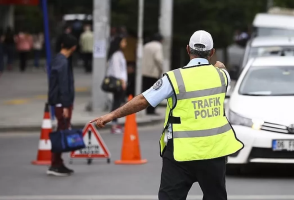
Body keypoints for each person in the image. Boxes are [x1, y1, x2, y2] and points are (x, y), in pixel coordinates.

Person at [90, 30, 244, 200]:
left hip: (180, 153)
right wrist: (218, 66)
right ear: (212, 52)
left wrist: (111, 115)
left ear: (187, 49)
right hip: (215, 152)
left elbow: (143, 100)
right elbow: (220, 68)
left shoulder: (174, 78)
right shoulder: (222, 76)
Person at [47, 34, 78, 176]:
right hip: (62, 103)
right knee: (61, 132)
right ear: (73, 47)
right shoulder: (63, 62)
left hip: (59, 102)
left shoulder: (57, 59)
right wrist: (66, 105)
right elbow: (63, 86)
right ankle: (55, 164)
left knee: (61, 131)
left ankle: (58, 163)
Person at [106, 35, 128, 134]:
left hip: (120, 81)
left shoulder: (119, 53)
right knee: (116, 103)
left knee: (117, 102)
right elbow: (117, 70)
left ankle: (115, 123)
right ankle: (114, 124)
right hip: (118, 82)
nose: (125, 44)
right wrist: (122, 82)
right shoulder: (116, 55)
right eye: (123, 42)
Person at [141, 33, 164, 115]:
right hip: (153, 72)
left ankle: (146, 109)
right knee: (154, 92)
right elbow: (158, 58)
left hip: (144, 71)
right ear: (161, 40)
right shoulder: (158, 46)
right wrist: (161, 69)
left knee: (146, 91)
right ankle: (151, 110)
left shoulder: (146, 45)